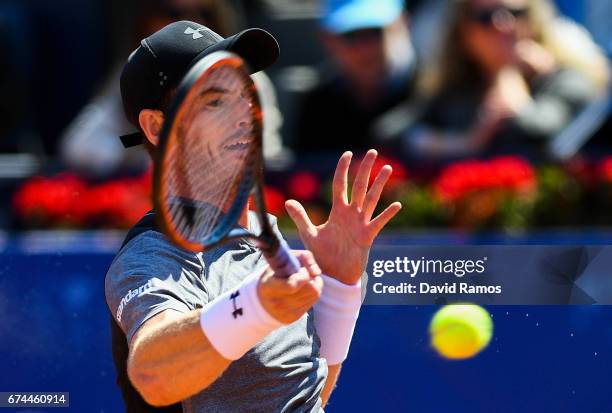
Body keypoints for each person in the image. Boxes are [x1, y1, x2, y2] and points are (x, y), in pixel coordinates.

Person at [105, 20, 402, 413]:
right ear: (157, 127)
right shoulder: (155, 255)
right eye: (214, 100)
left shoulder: (262, 234)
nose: (245, 112)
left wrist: (339, 289)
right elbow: (153, 375)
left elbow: (304, 398)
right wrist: (255, 306)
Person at [395, 0, 609, 163]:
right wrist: (464, 143)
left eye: (516, 13)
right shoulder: (458, 88)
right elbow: (392, 133)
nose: (503, 25)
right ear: (463, 34)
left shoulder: (566, 78)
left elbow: (539, 137)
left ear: (535, 21)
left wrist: (509, 74)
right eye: (485, 17)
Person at [293, 0, 416, 161]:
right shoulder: (316, 105)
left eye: (375, 32)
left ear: (403, 25)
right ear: (327, 38)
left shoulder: (432, 94)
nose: (365, 49)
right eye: (350, 36)